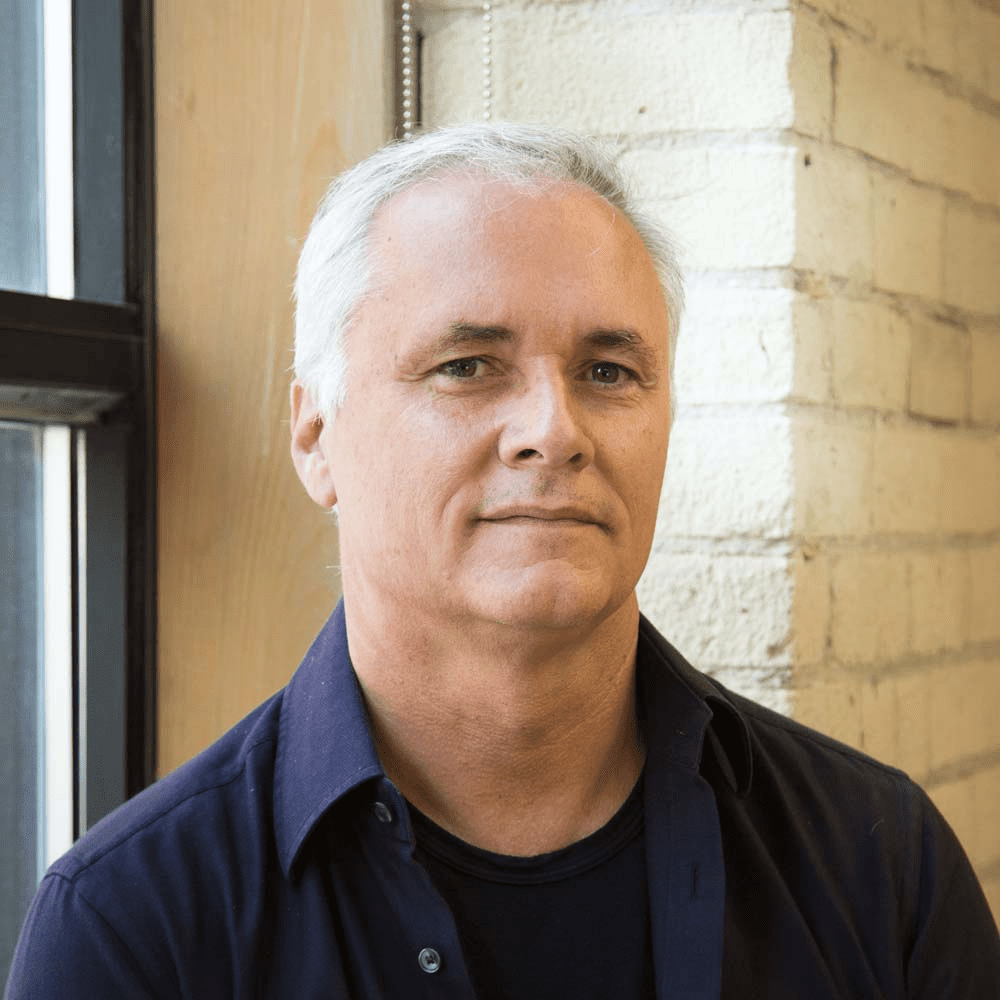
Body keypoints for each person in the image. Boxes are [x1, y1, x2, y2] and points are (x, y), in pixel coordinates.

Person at [6, 123, 999, 999]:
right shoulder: (133, 927)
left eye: (608, 370)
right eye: (467, 366)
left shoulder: (881, 868)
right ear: (316, 437)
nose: (553, 430)